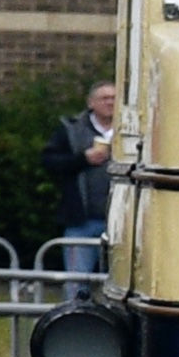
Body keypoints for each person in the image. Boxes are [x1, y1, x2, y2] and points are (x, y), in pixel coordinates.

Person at [48, 80, 120, 249]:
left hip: (121, 221)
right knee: (78, 274)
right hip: (82, 220)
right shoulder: (71, 129)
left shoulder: (133, 131)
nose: (110, 102)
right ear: (91, 103)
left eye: (114, 98)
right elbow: (50, 161)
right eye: (104, 98)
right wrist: (83, 159)